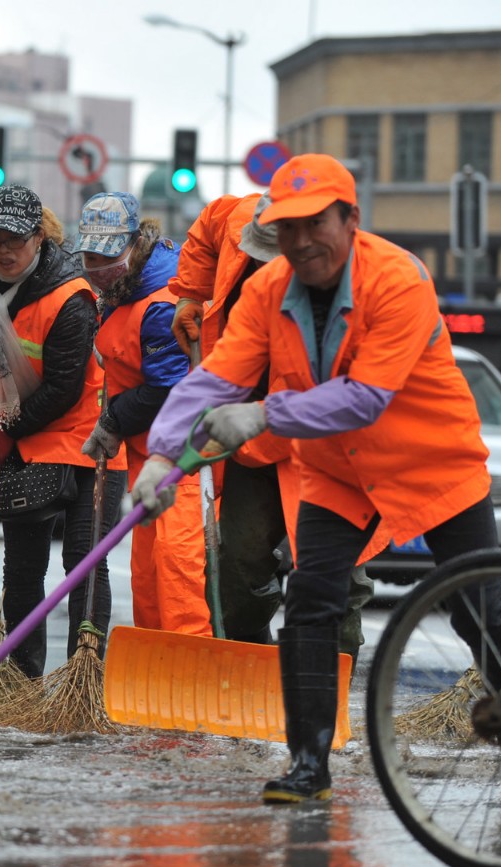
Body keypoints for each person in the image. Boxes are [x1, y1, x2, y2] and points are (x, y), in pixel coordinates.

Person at [132, 153, 501, 803]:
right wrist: (162, 455)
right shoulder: (270, 289)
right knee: (312, 603)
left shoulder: (398, 279)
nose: (300, 242)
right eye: (286, 229)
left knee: (479, 611)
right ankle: (308, 763)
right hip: (333, 470)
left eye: (314, 224)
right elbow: (217, 376)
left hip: (429, 460)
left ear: (351, 219)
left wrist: (265, 413)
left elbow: (366, 398)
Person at [169, 192, 375, 657]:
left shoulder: (352, 287)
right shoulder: (235, 217)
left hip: (328, 448)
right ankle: (246, 663)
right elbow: (202, 238)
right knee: (237, 566)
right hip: (252, 442)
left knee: (335, 574)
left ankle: (331, 679)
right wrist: (190, 294)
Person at [0, 184, 126, 677]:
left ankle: (85, 674)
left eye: (16, 239)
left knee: (83, 560)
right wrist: (1, 426)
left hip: (86, 439)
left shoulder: (71, 298)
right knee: (22, 566)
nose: (5, 251)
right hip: (23, 437)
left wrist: (7, 430)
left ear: (39, 238)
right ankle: (21, 677)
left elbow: (62, 388)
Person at [76, 191, 210, 636]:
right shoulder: (123, 288)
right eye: (90, 257)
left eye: (106, 256)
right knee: (148, 574)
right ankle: (156, 675)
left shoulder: (159, 302)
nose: (96, 269)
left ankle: (193, 676)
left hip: (184, 458)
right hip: (148, 457)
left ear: (133, 246)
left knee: (177, 569)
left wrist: (113, 420)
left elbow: (169, 388)